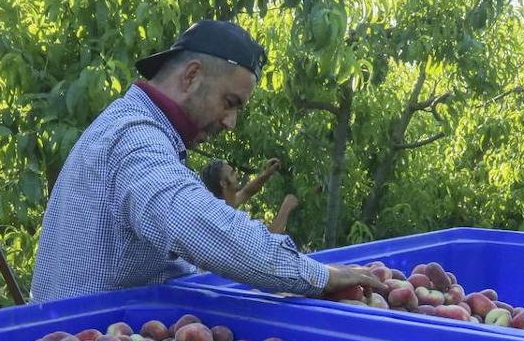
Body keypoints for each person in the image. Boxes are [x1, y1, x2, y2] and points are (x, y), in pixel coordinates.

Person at [29, 19, 385, 303]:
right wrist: (315, 274)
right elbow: (196, 223)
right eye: (230, 103)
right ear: (191, 75)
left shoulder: (122, 122)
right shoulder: (134, 136)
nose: (230, 123)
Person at [200, 157, 298, 234]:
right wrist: (286, 207)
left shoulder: (224, 204)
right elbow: (270, 239)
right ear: (223, 184)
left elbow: (246, 192)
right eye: (232, 174)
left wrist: (266, 174)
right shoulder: (230, 221)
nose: (237, 175)